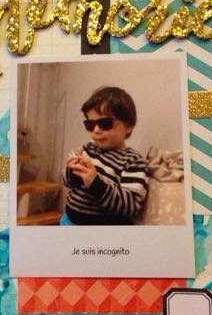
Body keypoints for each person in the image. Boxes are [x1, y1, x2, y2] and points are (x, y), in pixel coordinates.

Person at [61, 86, 148, 225]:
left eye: (105, 123)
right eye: (90, 124)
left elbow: (131, 206)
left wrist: (96, 184)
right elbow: (66, 181)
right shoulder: (88, 149)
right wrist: (72, 170)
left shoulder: (132, 161)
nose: (96, 130)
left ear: (129, 126)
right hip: (69, 220)